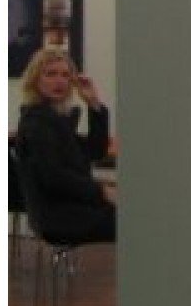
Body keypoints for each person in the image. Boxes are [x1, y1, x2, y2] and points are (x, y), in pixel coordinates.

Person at [13, 47, 117, 243]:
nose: (59, 81)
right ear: (35, 80)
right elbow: (54, 177)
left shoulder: (54, 118)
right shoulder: (37, 122)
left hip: (69, 207)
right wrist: (102, 191)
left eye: (65, 75)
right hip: (59, 216)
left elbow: (95, 150)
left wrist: (93, 103)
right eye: (50, 74)